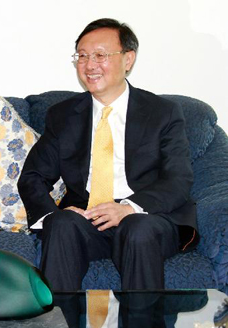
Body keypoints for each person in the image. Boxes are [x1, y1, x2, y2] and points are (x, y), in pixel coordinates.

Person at [18, 18, 198, 293]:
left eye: (100, 55)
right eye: (82, 56)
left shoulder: (163, 113)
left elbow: (178, 179)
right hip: (89, 219)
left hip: (146, 219)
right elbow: (32, 176)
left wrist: (128, 208)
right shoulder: (63, 115)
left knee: (137, 228)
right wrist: (53, 213)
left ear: (128, 59)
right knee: (62, 223)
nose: (89, 65)